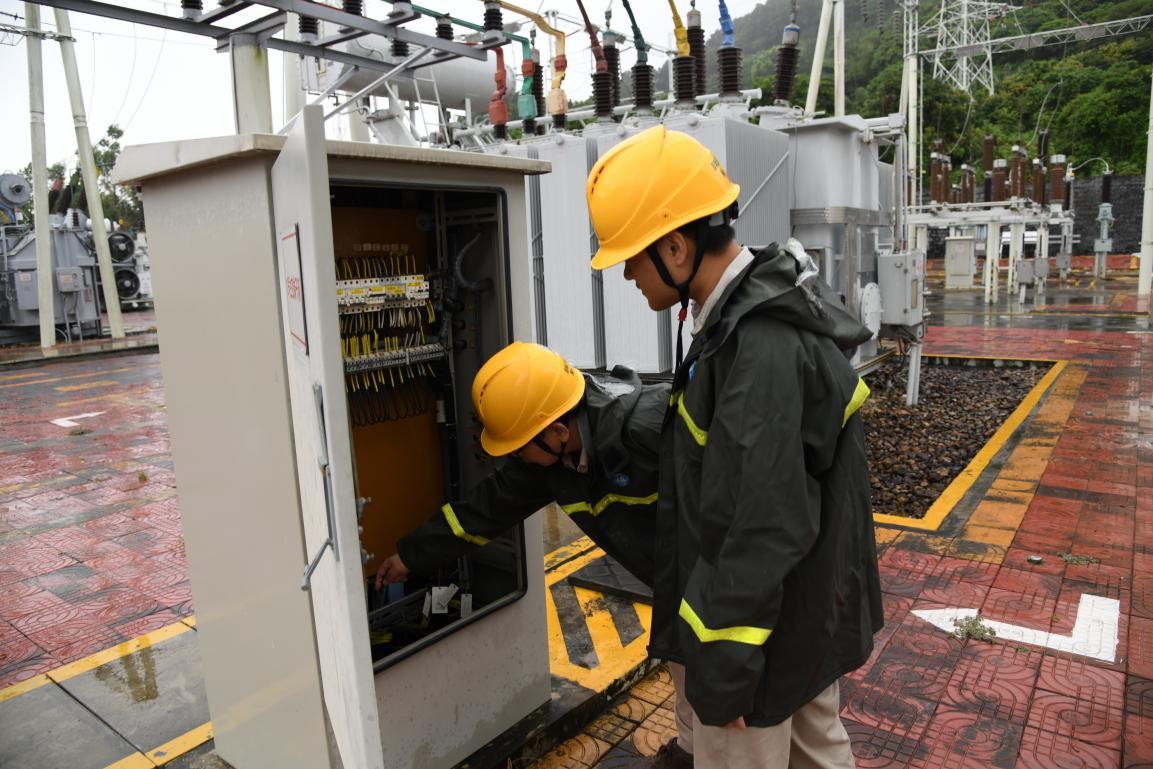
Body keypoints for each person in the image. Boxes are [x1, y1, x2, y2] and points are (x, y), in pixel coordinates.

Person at [585, 124, 883, 769]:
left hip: (760, 641)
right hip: (800, 619)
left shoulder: (758, 346)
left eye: (633, 258)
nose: (629, 275)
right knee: (817, 751)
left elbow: (761, 526)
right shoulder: (745, 317)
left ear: (675, 246)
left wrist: (723, 665)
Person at [373, 341, 695, 768]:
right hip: (676, 588)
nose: (516, 459)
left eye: (518, 447)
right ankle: (692, 750)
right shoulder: (551, 460)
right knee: (687, 675)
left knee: (736, 710)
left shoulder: (654, 429)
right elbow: (486, 508)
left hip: (724, 587)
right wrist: (410, 556)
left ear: (557, 432)